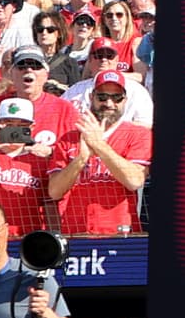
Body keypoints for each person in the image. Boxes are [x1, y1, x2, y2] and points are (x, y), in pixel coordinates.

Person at [48, 70, 149, 238]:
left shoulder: (138, 134)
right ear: (91, 97)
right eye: (102, 97)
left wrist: (98, 145)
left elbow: (134, 181)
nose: (109, 103)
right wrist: (81, 159)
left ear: (125, 100)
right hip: (75, 233)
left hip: (120, 235)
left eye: (116, 97)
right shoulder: (69, 137)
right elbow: (54, 191)